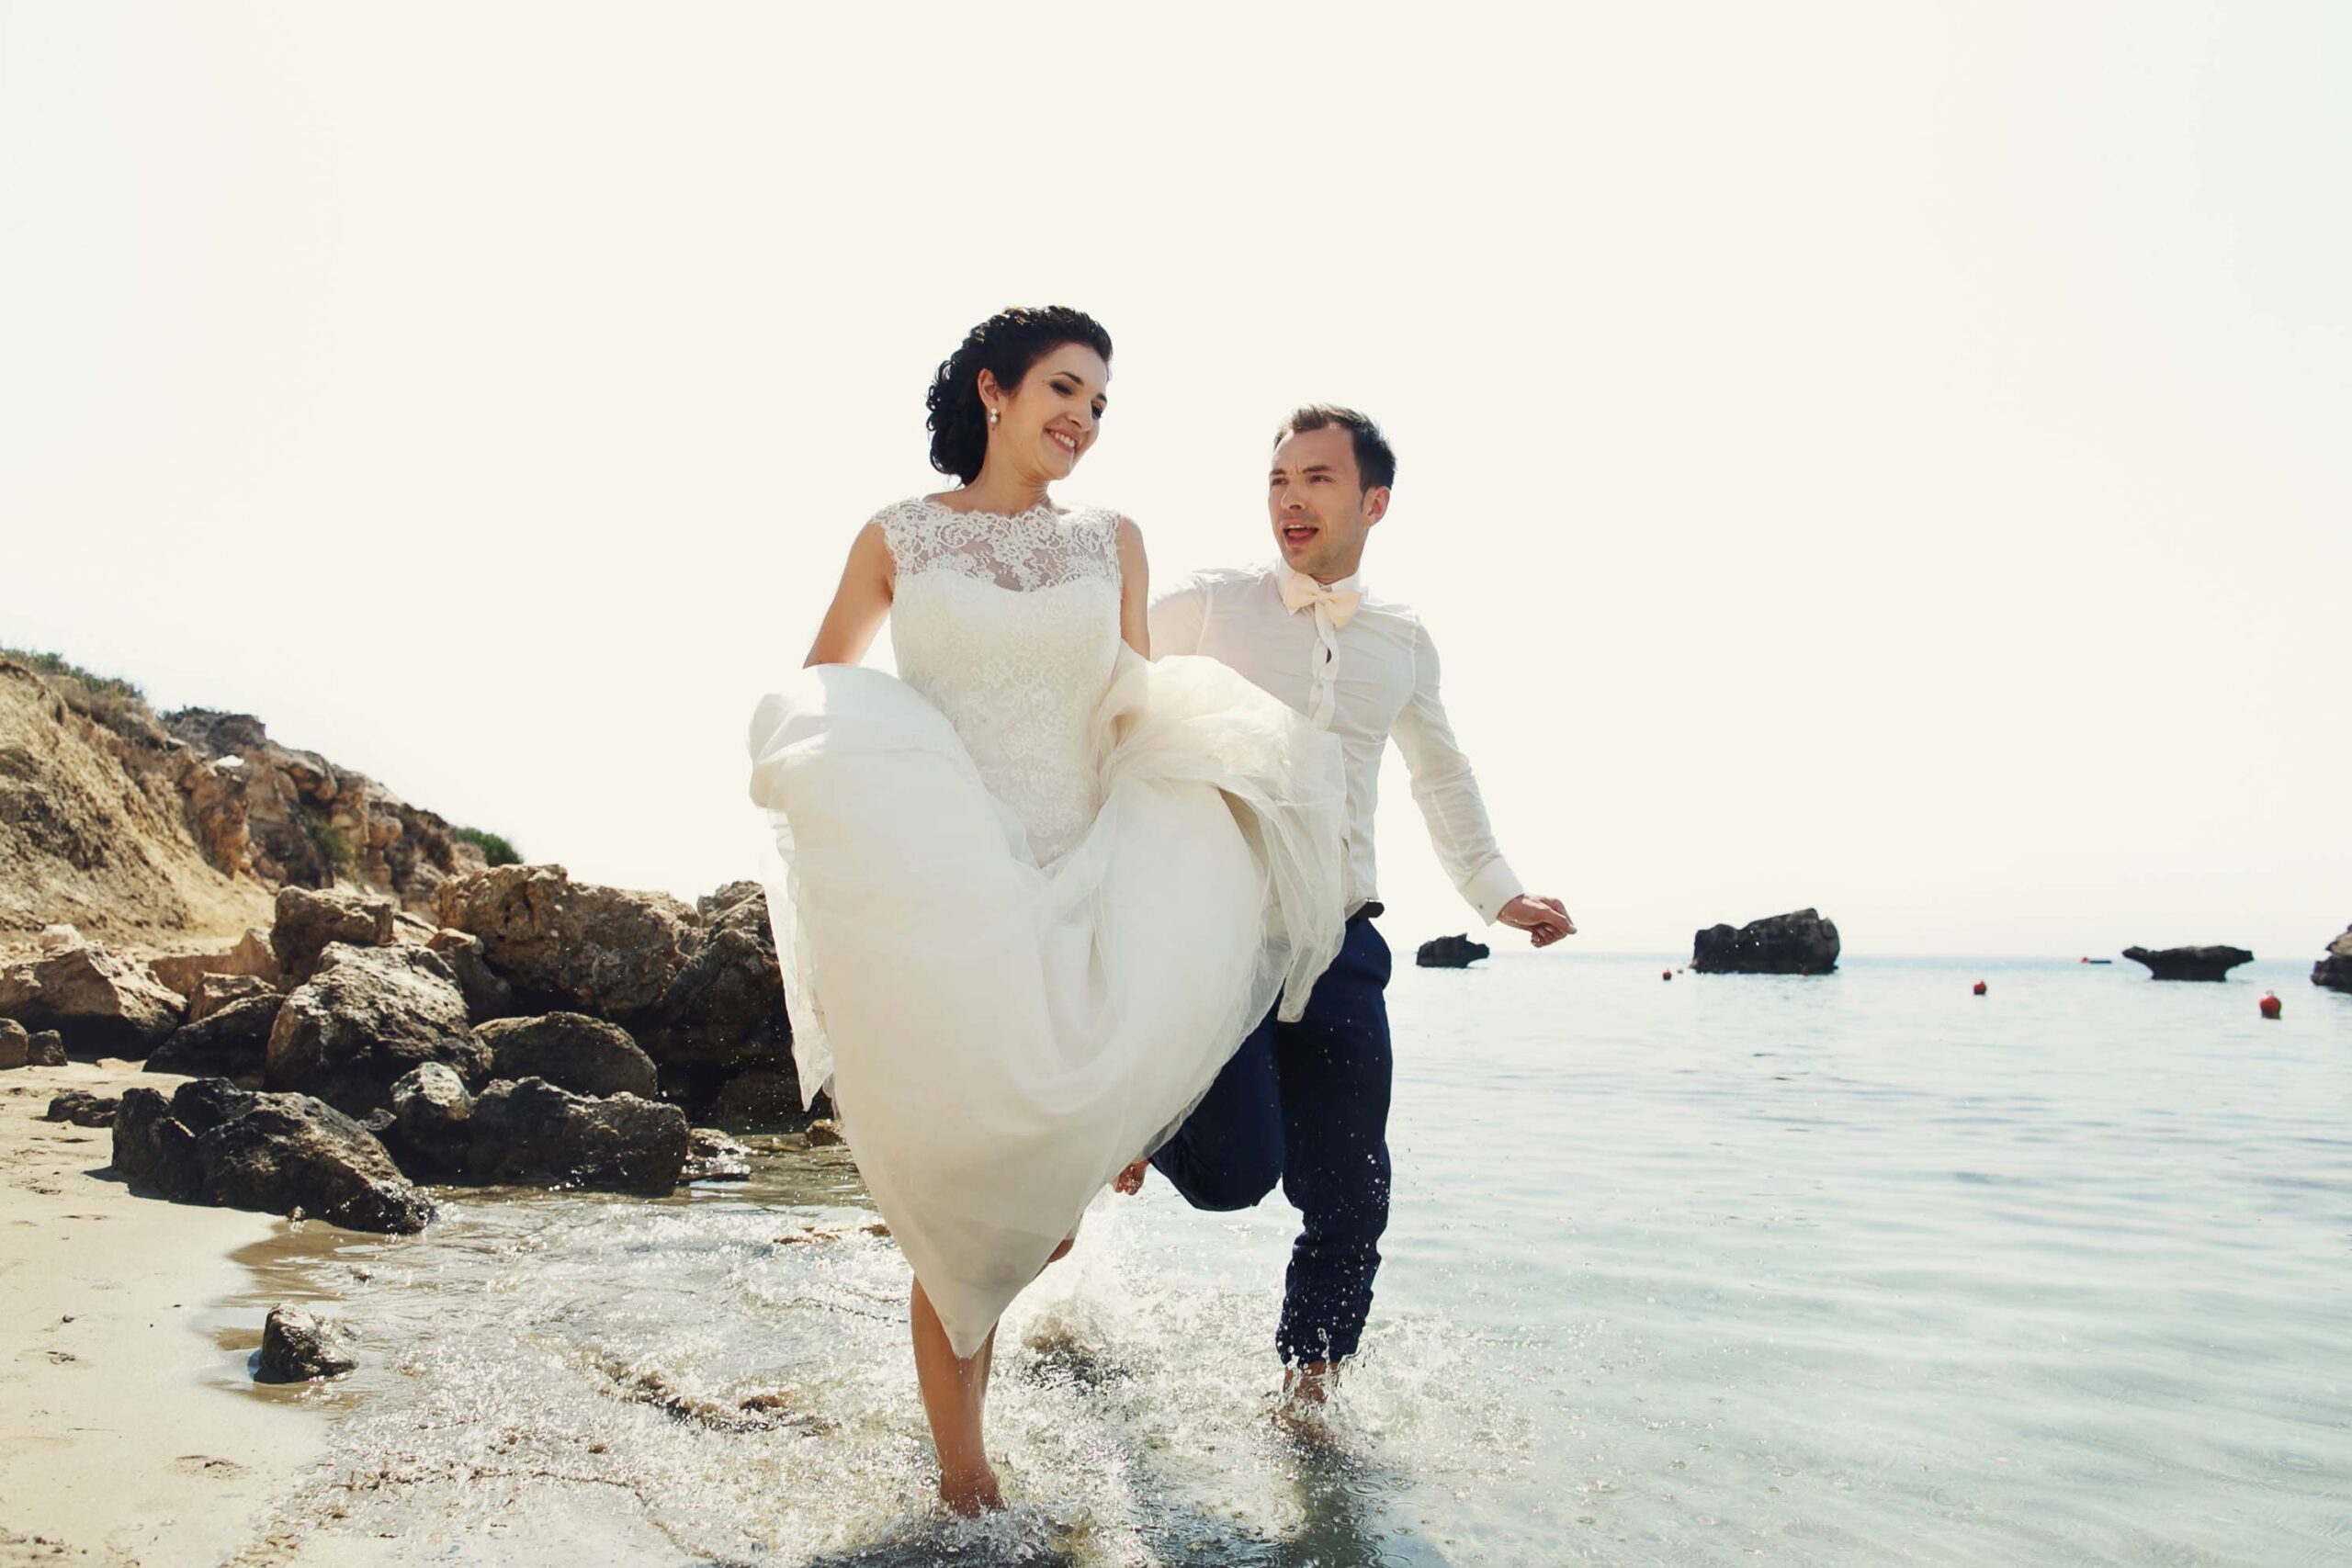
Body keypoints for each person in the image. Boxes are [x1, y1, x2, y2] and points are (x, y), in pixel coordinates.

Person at [744, 308, 1348, 1515]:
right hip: (946, 884)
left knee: (1043, 1213)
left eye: (1099, 403)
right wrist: (859, 804)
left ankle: (985, 1401)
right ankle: (966, 1474)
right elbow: (823, 683)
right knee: (960, 1205)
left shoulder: (1112, 541)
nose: (1081, 417)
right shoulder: (897, 536)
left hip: (1087, 873)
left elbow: (1128, 702)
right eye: (1064, 389)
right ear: (994, 390)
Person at [1118, 404, 1574, 1402]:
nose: (1291, 498)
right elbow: (1099, 699)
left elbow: (1439, 776)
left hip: (1342, 941)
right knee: (1237, 1173)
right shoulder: (1205, 604)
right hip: (1218, 939)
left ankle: (1309, 1387)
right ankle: (1137, 1113)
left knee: (1351, 1189)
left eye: (1317, 479)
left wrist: (1497, 892)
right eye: (1279, 479)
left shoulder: (1403, 640)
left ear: (1373, 501)